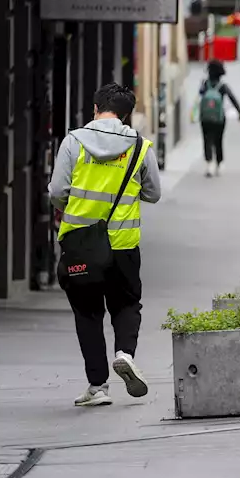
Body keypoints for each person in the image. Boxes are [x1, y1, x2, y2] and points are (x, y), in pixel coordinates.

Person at [48, 83, 161, 407]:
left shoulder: (74, 141)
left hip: (81, 242)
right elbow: (153, 193)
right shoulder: (140, 146)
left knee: (87, 312)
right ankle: (124, 353)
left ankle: (97, 387)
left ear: (95, 108)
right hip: (124, 244)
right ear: (126, 115)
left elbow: (57, 191)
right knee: (126, 304)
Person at [196, 60, 240, 177]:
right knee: (218, 140)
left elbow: (200, 94)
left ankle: (209, 164)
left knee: (207, 139)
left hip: (205, 117)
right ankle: (219, 163)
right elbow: (233, 100)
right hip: (219, 118)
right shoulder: (223, 86)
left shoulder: (205, 84)